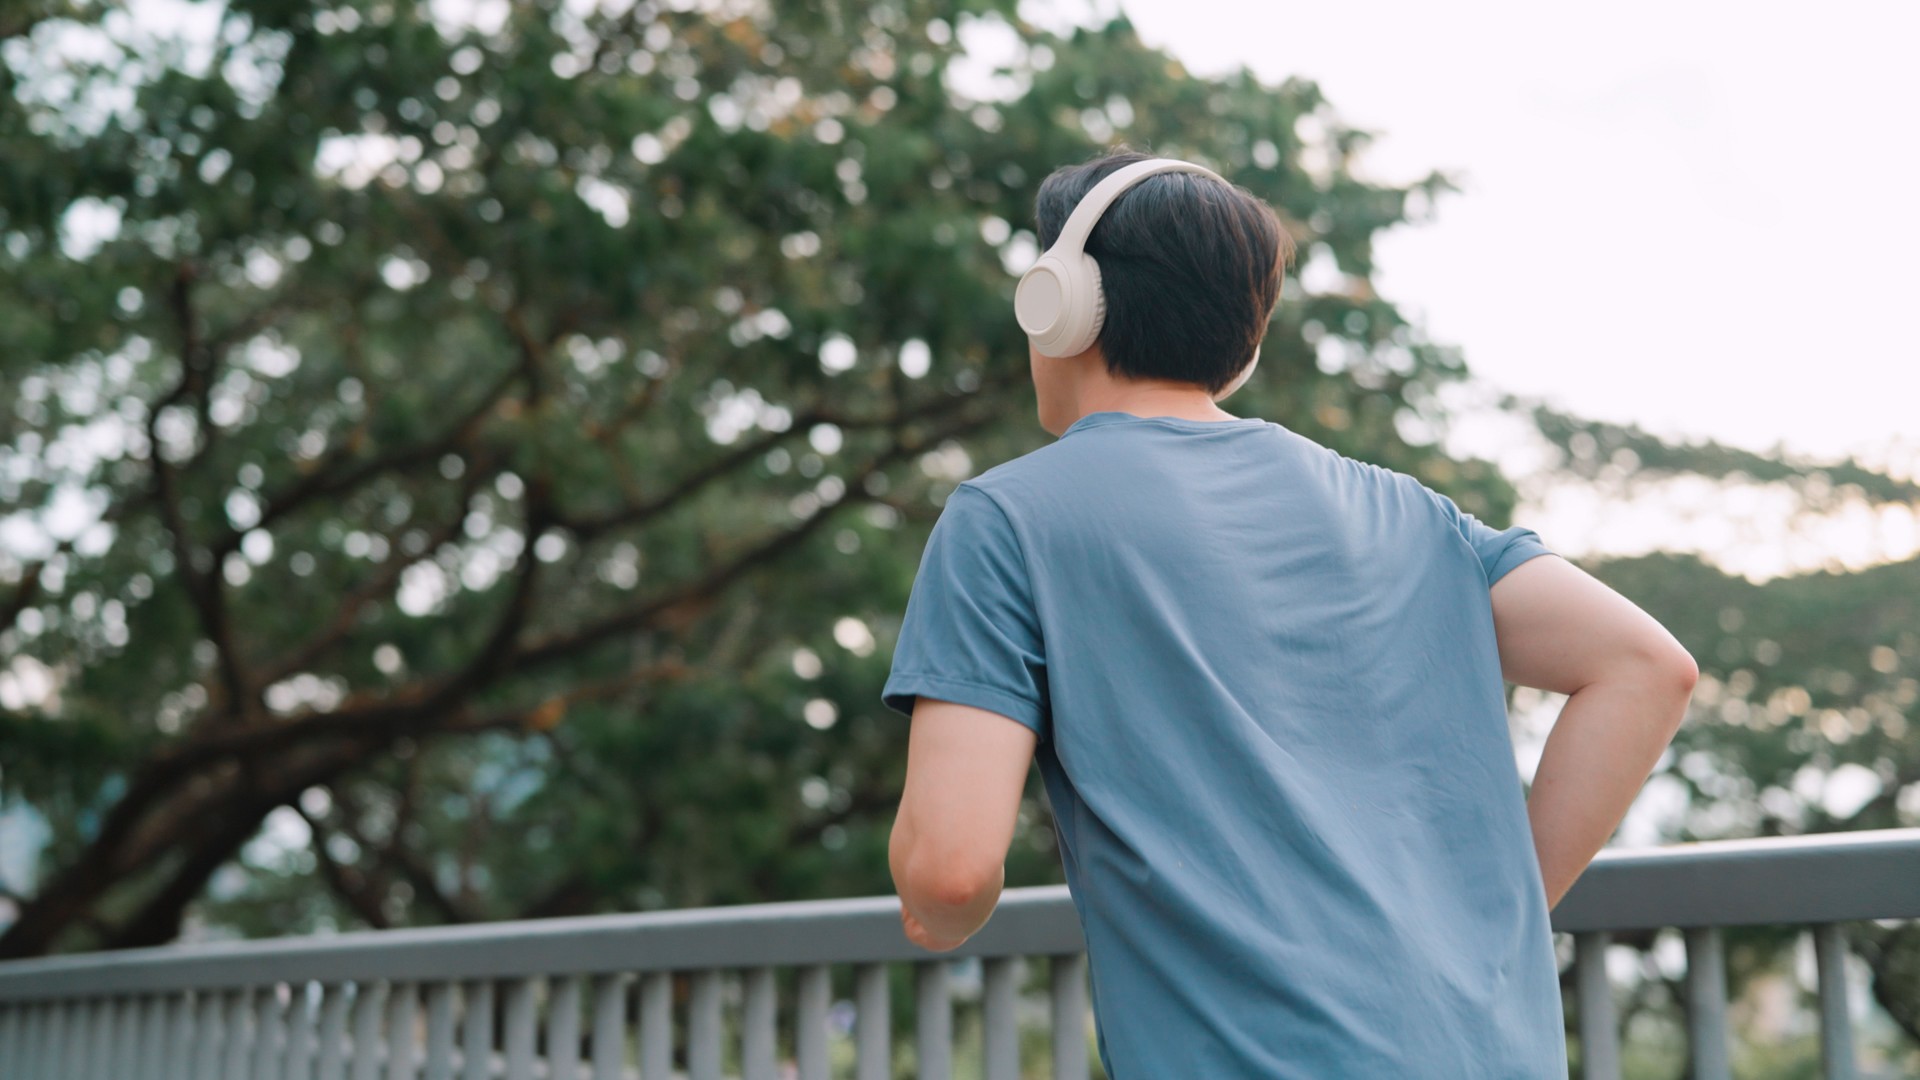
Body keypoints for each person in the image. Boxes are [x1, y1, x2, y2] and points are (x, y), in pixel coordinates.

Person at [881, 148, 1698, 1078]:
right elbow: (1646, 667)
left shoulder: (1009, 518)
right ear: (1244, 338)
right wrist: (1491, 918)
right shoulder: (1407, 510)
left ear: (1059, 301)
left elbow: (951, 869)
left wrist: (933, 911)